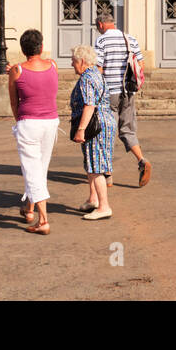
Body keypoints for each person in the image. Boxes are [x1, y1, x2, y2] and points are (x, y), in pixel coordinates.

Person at [7, 29, 58, 235]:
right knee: (40, 167)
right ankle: (29, 208)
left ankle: (43, 219)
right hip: (51, 121)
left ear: (22, 49)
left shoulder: (17, 70)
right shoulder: (53, 65)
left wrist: (18, 118)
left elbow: (13, 100)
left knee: (32, 169)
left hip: (29, 122)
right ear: (42, 47)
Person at [93, 14, 151, 188]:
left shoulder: (101, 41)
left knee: (106, 132)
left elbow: (98, 68)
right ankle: (141, 160)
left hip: (109, 93)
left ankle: (107, 174)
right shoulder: (130, 39)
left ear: (101, 24)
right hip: (128, 91)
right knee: (127, 130)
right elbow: (140, 65)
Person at [69, 44, 114, 220]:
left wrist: (81, 129)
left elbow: (90, 105)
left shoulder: (87, 78)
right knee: (92, 162)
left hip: (96, 125)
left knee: (96, 166)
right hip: (104, 121)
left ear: (82, 61)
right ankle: (93, 199)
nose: (72, 64)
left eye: (73, 61)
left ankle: (104, 206)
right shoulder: (96, 73)